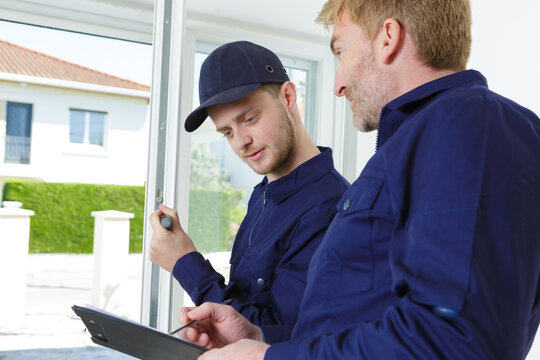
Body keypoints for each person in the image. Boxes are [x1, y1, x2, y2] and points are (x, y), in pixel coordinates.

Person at [176, 1, 540, 359]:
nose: (337, 85)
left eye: (340, 51)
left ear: (387, 38)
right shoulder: (428, 137)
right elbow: (363, 320)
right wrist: (259, 337)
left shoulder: (466, 126)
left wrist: (266, 359)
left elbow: (457, 340)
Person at [148, 41, 349, 343]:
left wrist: (185, 262)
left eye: (249, 119)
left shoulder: (331, 207)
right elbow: (243, 307)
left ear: (289, 97)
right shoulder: (263, 193)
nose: (240, 142)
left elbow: (277, 336)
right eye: (227, 131)